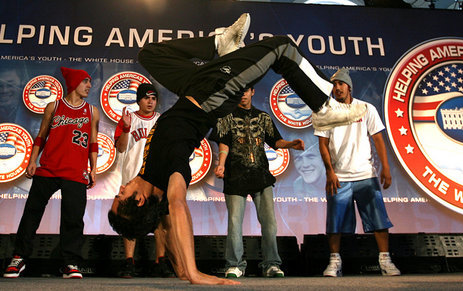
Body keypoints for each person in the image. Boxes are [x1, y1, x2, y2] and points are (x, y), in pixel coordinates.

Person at [108, 13, 366, 285]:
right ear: (138, 200)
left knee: (149, 54)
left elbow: (170, 230)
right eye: (120, 195)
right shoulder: (171, 173)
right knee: (280, 47)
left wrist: (181, 269)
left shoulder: (152, 186)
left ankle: (221, 44)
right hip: (213, 93)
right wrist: (194, 274)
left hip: (191, 87)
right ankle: (323, 107)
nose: (121, 188)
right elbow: (179, 206)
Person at [3, 67, 99, 279]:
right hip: (48, 167)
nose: (89, 86)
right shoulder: (53, 106)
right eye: (85, 81)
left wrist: (93, 169)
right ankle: (19, 257)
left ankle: (70, 262)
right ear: (74, 83)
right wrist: (31, 161)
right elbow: (41, 136)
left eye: (90, 82)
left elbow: (93, 142)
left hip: (75, 171)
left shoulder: (92, 111)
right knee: (32, 214)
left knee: (73, 219)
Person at [210, 86, 304, 278]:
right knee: (235, 223)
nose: (242, 93)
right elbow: (224, 142)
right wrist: (221, 164)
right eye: (240, 90)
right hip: (235, 175)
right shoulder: (226, 116)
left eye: (246, 90)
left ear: (252, 92)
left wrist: (291, 144)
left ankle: (271, 264)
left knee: (269, 223)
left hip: (261, 175)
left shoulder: (263, 117)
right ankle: (235, 265)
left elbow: (275, 141)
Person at [315, 67, 400, 277]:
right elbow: (323, 145)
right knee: (334, 223)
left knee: (379, 221)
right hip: (339, 177)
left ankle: (385, 261)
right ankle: (334, 262)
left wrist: (386, 168)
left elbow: (378, 139)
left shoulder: (366, 108)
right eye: (334, 85)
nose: (337, 88)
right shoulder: (325, 111)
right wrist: (330, 172)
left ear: (349, 87)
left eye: (340, 84)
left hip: (366, 175)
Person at [113, 83, 174, 278]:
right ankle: (129, 262)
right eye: (146, 98)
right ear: (139, 100)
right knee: (129, 218)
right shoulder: (129, 119)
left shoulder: (162, 120)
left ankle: (161, 262)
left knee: (159, 221)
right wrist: (125, 128)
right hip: (133, 178)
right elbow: (121, 148)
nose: (150, 101)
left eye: (153, 98)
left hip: (156, 179)